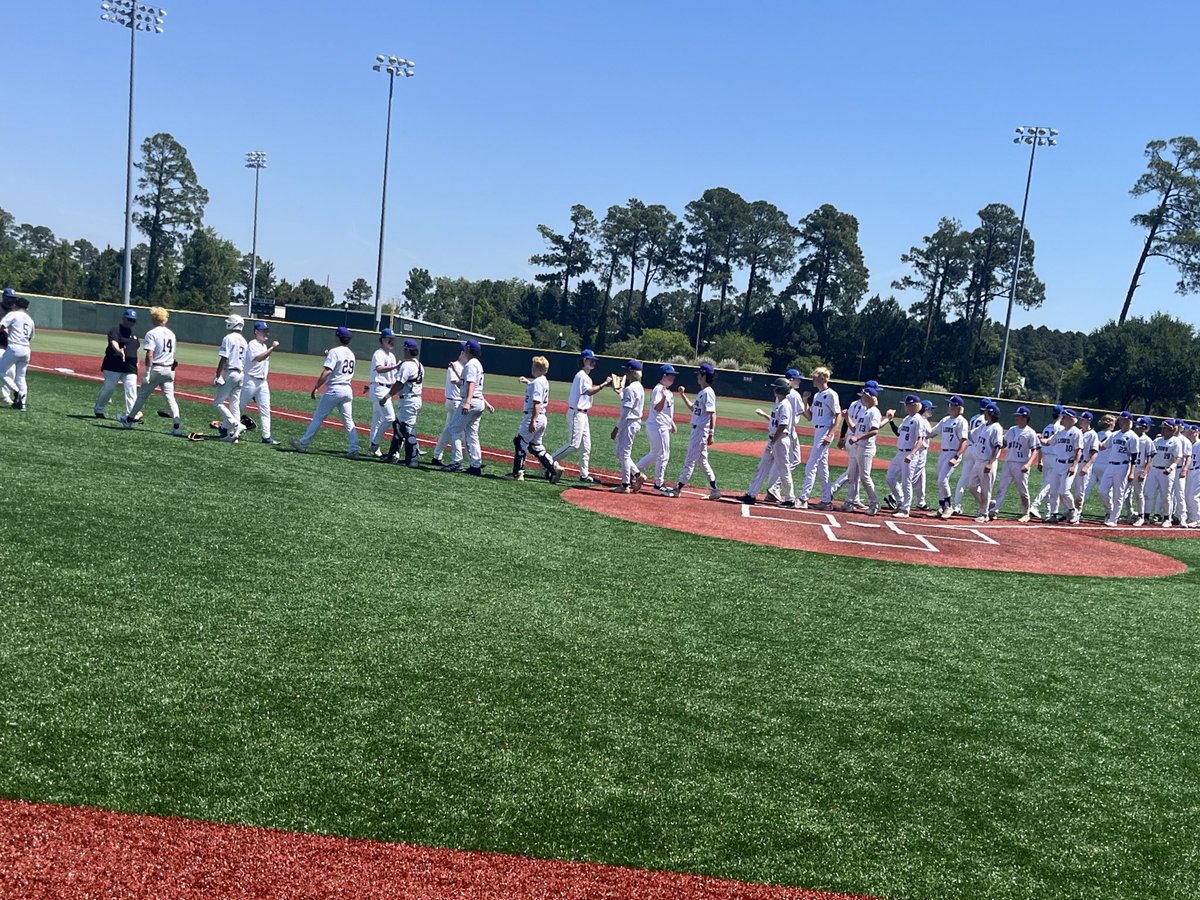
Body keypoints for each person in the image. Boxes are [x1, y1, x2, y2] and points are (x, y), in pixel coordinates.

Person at [290, 326, 359, 459]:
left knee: (318, 417)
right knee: (348, 420)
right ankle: (354, 448)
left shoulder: (334, 351)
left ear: (338, 337)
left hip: (335, 389)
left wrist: (316, 387)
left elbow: (327, 371)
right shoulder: (351, 353)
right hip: (347, 389)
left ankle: (303, 444)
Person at [550, 349, 612, 484]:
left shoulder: (586, 377)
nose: (593, 362)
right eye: (590, 360)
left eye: (594, 360)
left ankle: (584, 474)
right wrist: (604, 384)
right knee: (574, 444)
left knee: (586, 445)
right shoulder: (581, 376)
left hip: (583, 414)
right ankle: (548, 460)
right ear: (584, 361)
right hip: (576, 412)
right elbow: (588, 392)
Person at [739, 378, 798, 508]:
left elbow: (783, 425)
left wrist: (773, 441)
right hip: (774, 439)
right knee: (762, 467)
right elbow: (775, 422)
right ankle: (751, 494)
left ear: (780, 389)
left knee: (784, 469)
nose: (773, 389)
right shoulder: (779, 403)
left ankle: (790, 499)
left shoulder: (785, 405)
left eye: (776, 387)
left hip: (780, 440)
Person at [121, 307, 181, 434]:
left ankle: (129, 420)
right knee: (170, 398)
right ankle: (176, 427)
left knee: (141, 396)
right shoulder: (172, 334)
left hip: (157, 368)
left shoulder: (152, 333)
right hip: (168, 369)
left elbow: (150, 354)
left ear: (154, 318)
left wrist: (147, 372)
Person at [668, 362, 721, 500]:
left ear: (704, 375)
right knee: (702, 461)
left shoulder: (708, 392)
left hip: (700, 431)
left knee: (690, 460)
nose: (697, 376)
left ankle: (678, 488)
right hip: (698, 430)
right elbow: (694, 408)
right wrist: (682, 395)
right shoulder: (703, 392)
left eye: (699, 374)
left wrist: (711, 433)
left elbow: (712, 413)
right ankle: (715, 490)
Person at [505, 355, 562, 482]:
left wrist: (533, 420)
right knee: (535, 446)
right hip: (542, 417)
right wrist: (528, 382)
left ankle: (517, 473)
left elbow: (537, 402)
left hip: (534, 415)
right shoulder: (543, 381)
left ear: (537, 368)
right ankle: (553, 468)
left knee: (520, 442)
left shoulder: (537, 383)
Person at [797, 366, 843, 509]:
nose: (812, 379)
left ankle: (803, 498)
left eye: (815, 377)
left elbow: (838, 415)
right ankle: (826, 500)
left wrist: (830, 435)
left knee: (811, 465)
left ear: (822, 378)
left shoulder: (831, 394)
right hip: (817, 431)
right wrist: (805, 401)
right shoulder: (817, 395)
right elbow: (810, 417)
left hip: (824, 432)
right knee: (822, 469)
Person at [991, 406, 1040, 522]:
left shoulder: (1030, 433)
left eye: (1018, 416)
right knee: (1001, 488)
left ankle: (1025, 513)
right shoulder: (1012, 429)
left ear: (1025, 417)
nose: (1016, 418)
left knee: (1022, 490)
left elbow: (1035, 450)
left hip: (1021, 464)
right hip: (1008, 462)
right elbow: (1004, 443)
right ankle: (994, 510)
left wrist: (1028, 464)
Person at [382, 338, 425, 467]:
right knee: (399, 427)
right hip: (414, 398)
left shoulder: (407, 365)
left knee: (407, 429)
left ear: (408, 350)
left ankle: (412, 459)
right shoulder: (419, 365)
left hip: (408, 400)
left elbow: (400, 383)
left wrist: (387, 396)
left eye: (404, 349)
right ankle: (393, 454)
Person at [93, 308, 141, 420]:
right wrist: (119, 351)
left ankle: (131, 415)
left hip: (130, 367)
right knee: (109, 388)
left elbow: (136, 349)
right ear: (124, 318)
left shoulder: (134, 334)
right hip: (113, 365)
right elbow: (113, 342)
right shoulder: (115, 330)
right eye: (129, 319)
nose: (131, 322)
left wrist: (137, 361)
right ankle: (99, 409)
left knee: (131, 390)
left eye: (133, 320)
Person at [637, 364, 678, 492]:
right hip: (658, 426)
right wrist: (664, 397)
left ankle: (633, 472)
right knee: (664, 454)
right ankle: (658, 484)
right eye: (671, 375)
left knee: (654, 453)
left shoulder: (667, 391)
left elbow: (667, 412)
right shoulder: (659, 389)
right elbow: (657, 408)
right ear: (664, 375)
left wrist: (672, 423)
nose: (673, 378)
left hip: (661, 425)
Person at [842, 386, 881, 515]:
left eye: (864, 395)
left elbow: (874, 430)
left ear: (869, 397)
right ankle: (849, 502)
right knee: (852, 476)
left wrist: (858, 437)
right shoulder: (865, 411)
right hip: (858, 446)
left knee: (864, 477)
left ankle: (874, 503)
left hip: (866, 448)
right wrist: (847, 417)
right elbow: (855, 429)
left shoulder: (874, 412)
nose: (861, 397)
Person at [885, 394, 927, 518]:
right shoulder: (907, 418)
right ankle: (900, 501)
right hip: (900, 452)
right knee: (890, 477)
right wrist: (890, 420)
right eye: (906, 404)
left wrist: (912, 454)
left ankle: (905, 508)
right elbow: (898, 433)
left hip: (910, 453)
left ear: (915, 405)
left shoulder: (919, 419)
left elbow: (920, 439)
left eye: (908, 404)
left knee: (906, 481)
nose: (906, 406)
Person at [450, 339, 487, 475]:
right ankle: (475, 465)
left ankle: (456, 461)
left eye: (466, 348)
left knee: (454, 429)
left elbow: (471, 384)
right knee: (472, 434)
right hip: (478, 401)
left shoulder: (471, 364)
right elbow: (468, 383)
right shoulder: (477, 364)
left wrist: (467, 402)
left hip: (470, 401)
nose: (464, 350)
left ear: (469, 349)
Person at [610, 359, 647, 493]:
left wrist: (616, 428)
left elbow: (626, 411)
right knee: (620, 452)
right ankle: (638, 475)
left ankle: (625, 484)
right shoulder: (639, 387)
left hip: (629, 423)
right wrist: (620, 392)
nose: (625, 372)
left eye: (627, 370)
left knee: (624, 454)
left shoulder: (631, 389)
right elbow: (628, 404)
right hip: (634, 422)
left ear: (631, 372)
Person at [1098, 411, 1139, 527]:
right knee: (1102, 491)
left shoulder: (1133, 437)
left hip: (1123, 465)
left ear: (1129, 422)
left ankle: (1114, 519)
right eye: (1121, 420)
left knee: (1118, 494)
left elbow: (1134, 456)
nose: (1121, 422)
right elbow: (1103, 446)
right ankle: (1111, 510)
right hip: (1110, 465)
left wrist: (1132, 472)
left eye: (1124, 420)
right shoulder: (1115, 434)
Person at [930, 396, 969, 519]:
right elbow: (932, 432)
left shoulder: (961, 421)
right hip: (943, 453)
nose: (949, 407)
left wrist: (957, 456)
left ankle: (948, 507)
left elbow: (964, 441)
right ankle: (941, 507)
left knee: (943, 480)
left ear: (957, 408)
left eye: (951, 405)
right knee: (940, 480)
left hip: (953, 453)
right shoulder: (945, 420)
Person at [242, 321, 280, 444]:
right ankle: (226, 428)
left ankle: (266, 436)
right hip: (250, 380)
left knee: (265, 409)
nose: (265, 333)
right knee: (239, 406)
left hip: (262, 382)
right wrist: (272, 348)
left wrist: (269, 348)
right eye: (263, 331)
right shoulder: (252, 344)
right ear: (256, 332)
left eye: (266, 331)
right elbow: (259, 358)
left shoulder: (264, 346)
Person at [211, 314, 248, 442]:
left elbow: (224, 358)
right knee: (234, 404)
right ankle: (234, 435)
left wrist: (217, 374)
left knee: (217, 402)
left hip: (230, 372)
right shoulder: (244, 340)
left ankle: (237, 425)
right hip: (240, 374)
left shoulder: (228, 338)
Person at [966, 402, 1004, 523]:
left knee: (986, 489)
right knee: (971, 486)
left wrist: (990, 462)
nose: (984, 413)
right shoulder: (983, 425)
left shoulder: (997, 427)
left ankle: (984, 513)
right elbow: (972, 434)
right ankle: (986, 505)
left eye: (987, 412)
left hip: (988, 461)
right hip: (978, 461)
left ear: (991, 413)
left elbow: (998, 446)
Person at [952, 398, 992, 514]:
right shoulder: (985, 421)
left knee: (964, 478)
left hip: (969, 447)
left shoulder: (974, 417)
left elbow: (969, 433)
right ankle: (984, 505)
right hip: (978, 449)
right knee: (980, 479)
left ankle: (957, 505)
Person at [431, 344, 466, 467]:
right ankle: (459, 460)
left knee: (448, 430)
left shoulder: (462, 366)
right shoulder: (454, 365)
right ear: (462, 352)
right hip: (454, 401)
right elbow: (455, 382)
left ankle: (436, 456)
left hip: (455, 401)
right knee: (460, 431)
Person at [1045, 408, 1083, 524]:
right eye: (1063, 417)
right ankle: (1053, 514)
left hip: (1068, 464)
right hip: (1058, 463)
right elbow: (1048, 442)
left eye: (1065, 417)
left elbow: (1078, 450)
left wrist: (1073, 465)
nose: (1063, 419)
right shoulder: (1060, 432)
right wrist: (1038, 438)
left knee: (1064, 491)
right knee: (1053, 490)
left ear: (1071, 419)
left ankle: (1072, 510)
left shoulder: (1076, 432)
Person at [368, 328, 401, 457]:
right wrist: (394, 367)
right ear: (382, 340)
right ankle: (374, 444)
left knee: (377, 419)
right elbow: (379, 369)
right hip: (379, 388)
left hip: (386, 388)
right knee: (389, 418)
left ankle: (373, 448)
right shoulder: (379, 353)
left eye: (393, 339)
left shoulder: (391, 355)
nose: (392, 341)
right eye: (389, 339)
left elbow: (393, 376)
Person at [0, 293, 35, 410]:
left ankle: (16, 391)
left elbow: (1, 326)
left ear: (15, 305)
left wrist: (7, 333)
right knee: (21, 377)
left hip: (14, 347)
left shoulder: (13, 314)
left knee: (1, 370)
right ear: (27, 308)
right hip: (26, 350)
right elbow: (30, 337)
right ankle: (22, 404)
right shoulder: (30, 320)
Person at [1030, 406, 1065, 519]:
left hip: (1046, 457)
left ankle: (1048, 511)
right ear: (1061, 415)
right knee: (1049, 485)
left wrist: (1040, 460)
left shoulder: (1046, 428)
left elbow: (1041, 445)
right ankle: (1035, 505)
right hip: (1056, 459)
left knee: (1049, 486)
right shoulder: (1061, 429)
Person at [0, 288, 15, 405]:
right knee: (3, 369)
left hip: (8, 345)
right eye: (9, 298)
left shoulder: (13, 312)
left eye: (13, 299)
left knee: (12, 371)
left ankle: (6, 395)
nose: (11, 301)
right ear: (4, 297)